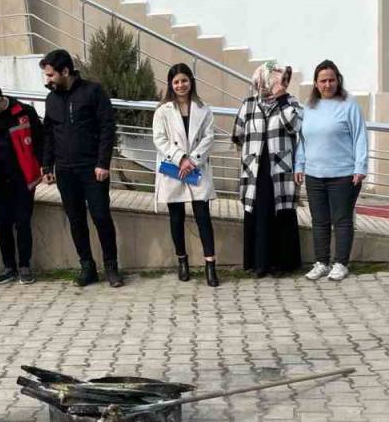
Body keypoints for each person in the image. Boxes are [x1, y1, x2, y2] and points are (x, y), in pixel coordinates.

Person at [39, 48, 124, 288]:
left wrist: (103, 163)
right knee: (75, 220)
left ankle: (111, 267)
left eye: (51, 75)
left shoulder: (93, 91)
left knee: (100, 216)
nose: (48, 80)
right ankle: (87, 267)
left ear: (65, 71)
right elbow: (48, 133)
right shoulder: (51, 99)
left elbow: (107, 127)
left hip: (92, 169)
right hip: (65, 171)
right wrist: (47, 164)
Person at [296, 60, 367, 283]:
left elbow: (360, 137)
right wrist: (299, 165)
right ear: (316, 84)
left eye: (331, 80)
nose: (328, 84)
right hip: (315, 174)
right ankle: (321, 262)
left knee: (342, 220)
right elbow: (302, 140)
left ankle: (341, 263)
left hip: (343, 174)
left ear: (338, 80)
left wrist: (360, 167)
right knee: (319, 221)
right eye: (323, 80)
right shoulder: (308, 107)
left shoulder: (349, 104)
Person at [232, 62, 303, 278]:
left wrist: (281, 99)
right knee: (259, 213)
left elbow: (295, 126)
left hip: (280, 168)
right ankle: (259, 263)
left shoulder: (290, 103)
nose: (275, 83)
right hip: (256, 168)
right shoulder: (249, 104)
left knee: (282, 212)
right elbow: (238, 134)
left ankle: (283, 265)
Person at [151, 63, 219, 287]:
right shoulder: (163, 111)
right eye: (176, 81)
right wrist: (180, 157)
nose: (181, 85)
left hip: (196, 168)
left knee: (203, 216)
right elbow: (159, 139)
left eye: (184, 80)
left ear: (191, 81)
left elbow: (209, 138)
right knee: (176, 217)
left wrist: (193, 160)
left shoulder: (203, 109)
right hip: (174, 168)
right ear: (171, 84)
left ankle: (210, 265)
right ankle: (182, 261)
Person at [0, 83, 44, 285]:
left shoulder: (23, 112)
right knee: (2, 224)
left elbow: (40, 140)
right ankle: (9, 267)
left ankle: (24, 266)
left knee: (22, 222)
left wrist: (44, 167)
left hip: (22, 177)